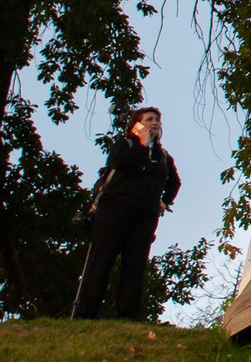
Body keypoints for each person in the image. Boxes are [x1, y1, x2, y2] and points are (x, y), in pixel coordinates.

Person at [70, 108, 179, 319]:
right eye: (149, 119)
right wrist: (143, 144)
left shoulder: (163, 157)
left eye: (157, 119)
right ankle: (86, 313)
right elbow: (120, 163)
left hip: (145, 216)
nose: (154, 123)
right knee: (101, 261)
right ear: (136, 125)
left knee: (135, 265)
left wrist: (164, 202)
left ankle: (126, 316)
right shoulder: (125, 145)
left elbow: (174, 182)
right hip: (114, 210)